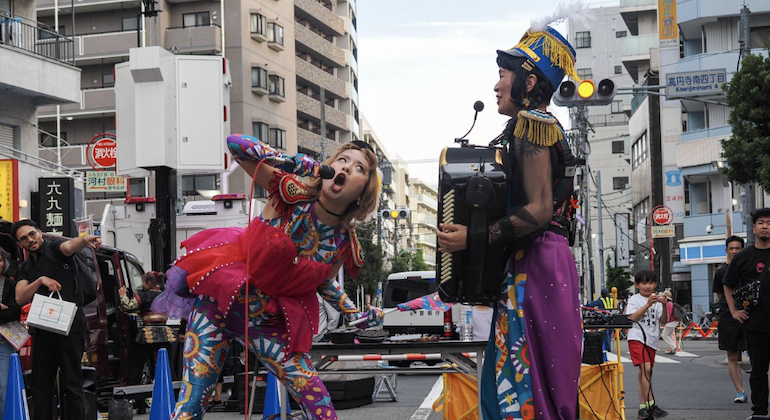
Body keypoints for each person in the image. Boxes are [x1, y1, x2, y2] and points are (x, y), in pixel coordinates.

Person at [152, 136, 383, 420]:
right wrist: (287, 160)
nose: (346, 169)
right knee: (191, 403)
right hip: (219, 307)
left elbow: (323, 282)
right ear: (327, 168)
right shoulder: (289, 191)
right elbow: (235, 145)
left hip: (268, 324)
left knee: (320, 405)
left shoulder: (343, 243)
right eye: (342, 160)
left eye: (359, 168)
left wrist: (354, 313)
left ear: (362, 193)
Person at [435, 12, 587, 419]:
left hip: (536, 264)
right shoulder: (533, 126)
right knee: (531, 384)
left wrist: (473, 238)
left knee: (522, 391)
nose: (497, 84)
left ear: (530, 81)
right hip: (542, 263)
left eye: (503, 73)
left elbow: (538, 210)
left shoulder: (532, 124)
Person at [12, 219, 102, 420]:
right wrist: (40, 280)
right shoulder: (26, 267)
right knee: (40, 383)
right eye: (24, 239)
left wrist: (85, 239)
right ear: (20, 244)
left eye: (32, 234)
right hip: (43, 327)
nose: (30, 240)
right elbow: (20, 297)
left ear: (39, 232)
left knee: (72, 381)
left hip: (70, 324)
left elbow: (69, 246)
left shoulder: (53, 248)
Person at [724, 209, 770, 420]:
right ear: (754, 228)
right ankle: (759, 412)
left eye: (769, 223)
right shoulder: (743, 257)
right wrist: (734, 311)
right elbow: (728, 284)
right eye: (761, 222)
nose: (765, 226)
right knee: (758, 370)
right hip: (755, 323)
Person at [625, 270, 669, 420]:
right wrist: (648, 304)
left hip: (652, 340)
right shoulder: (634, 300)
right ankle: (651, 405)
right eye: (644, 283)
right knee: (646, 368)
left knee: (645, 373)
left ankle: (643, 409)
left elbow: (663, 321)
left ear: (656, 284)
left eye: (651, 283)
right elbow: (632, 318)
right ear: (637, 285)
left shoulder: (657, 300)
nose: (648, 286)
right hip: (637, 338)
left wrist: (663, 306)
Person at [714, 235, 748, 403]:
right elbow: (720, 294)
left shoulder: (750, 269)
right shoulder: (721, 272)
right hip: (728, 317)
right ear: (726, 250)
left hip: (751, 316)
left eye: (738, 248)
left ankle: (764, 392)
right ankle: (740, 391)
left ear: (743, 249)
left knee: (759, 355)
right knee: (732, 356)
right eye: (731, 248)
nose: (734, 251)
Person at [0, 247, 21, 419]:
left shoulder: (11, 285)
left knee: (4, 388)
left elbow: (15, 312)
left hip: (4, 344)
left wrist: (6, 310)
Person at [660, 290, 678, 355]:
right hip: (673, 322)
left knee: (664, 335)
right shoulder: (671, 303)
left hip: (670, 322)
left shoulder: (668, 304)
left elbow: (668, 314)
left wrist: (664, 321)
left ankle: (673, 347)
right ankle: (673, 348)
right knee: (670, 335)